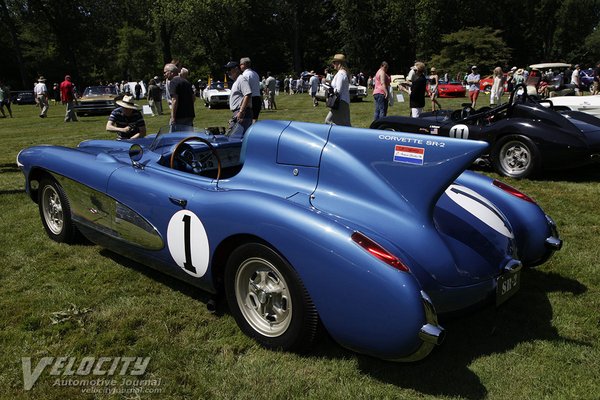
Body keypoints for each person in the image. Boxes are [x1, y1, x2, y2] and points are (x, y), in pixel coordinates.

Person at [225, 61, 253, 137]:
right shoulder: (237, 81)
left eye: (229, 69)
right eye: (227, 70)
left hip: (243, 113)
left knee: (233, 138)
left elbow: (247, 94)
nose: (228, 72)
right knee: (235, 138)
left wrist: (241, 111)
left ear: (236, 69)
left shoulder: (241, 79)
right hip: (239, 113)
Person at [163, 62, 195, 129]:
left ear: (171, 72)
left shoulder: (173, 82)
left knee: (175, 137)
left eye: (165, 72)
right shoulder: (186, 82)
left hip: (179, 116)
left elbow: (174, 100)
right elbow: (193, 98)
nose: (164, 74)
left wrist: (173, 117)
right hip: (189, 114)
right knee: (188, 136)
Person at [325, 53, 351, 126]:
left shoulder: (340, 73)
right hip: (343, 101)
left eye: (334, 62)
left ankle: (340, 134)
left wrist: (329, 90)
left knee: (328, 121)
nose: (333, 64)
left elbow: (338, 90)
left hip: (340, 102)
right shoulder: (343, 73)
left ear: (339, 63)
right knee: (346, 124)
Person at [240, 57, 262, 123]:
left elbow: (246, 90)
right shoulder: (255, 73)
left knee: (246, 121)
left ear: (244, 64)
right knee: (255, 119)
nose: (240, 66)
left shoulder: (245, 75)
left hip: (250, 99)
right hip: (257, 98)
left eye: (241, 64)